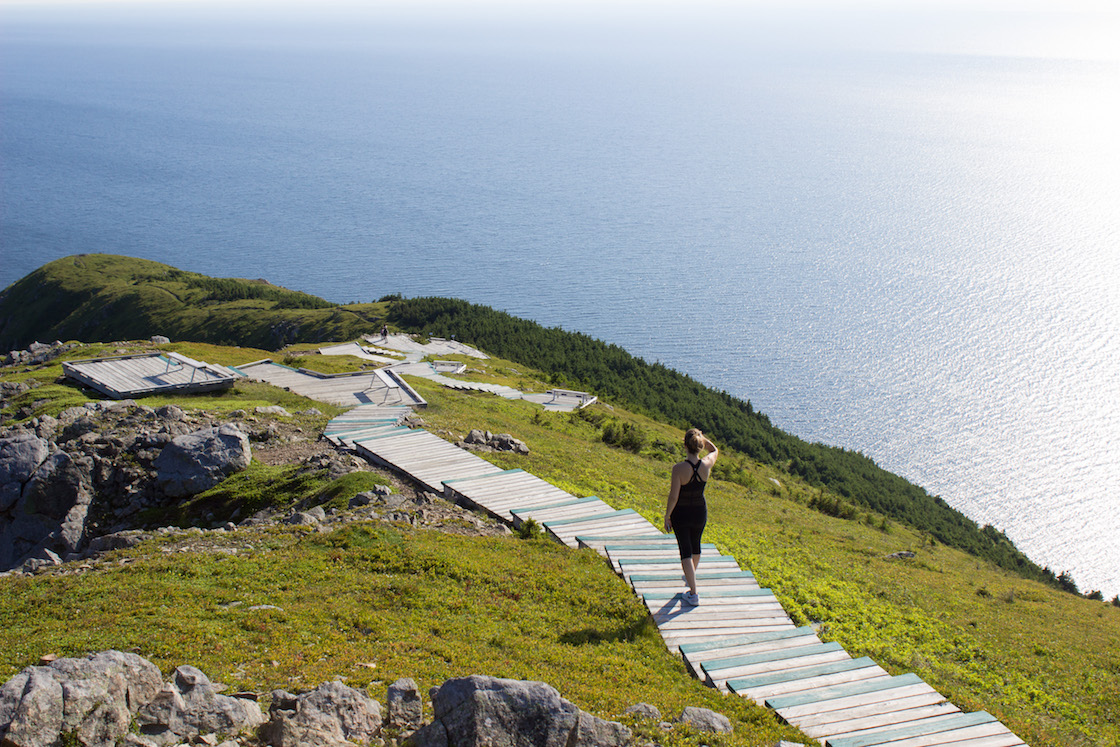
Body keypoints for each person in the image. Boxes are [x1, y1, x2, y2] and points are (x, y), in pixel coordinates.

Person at [664, 428, 718, 606]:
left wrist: (667, 515)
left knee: (685, 552)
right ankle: (691, 576)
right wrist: (702, 437)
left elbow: (674, 496)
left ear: (685, 445)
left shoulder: (678, 469)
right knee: (696, 547)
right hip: (700, 512)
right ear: (700, 445)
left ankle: (693, 593)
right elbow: (714, 450)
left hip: (682, 513)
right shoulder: (706, 464)